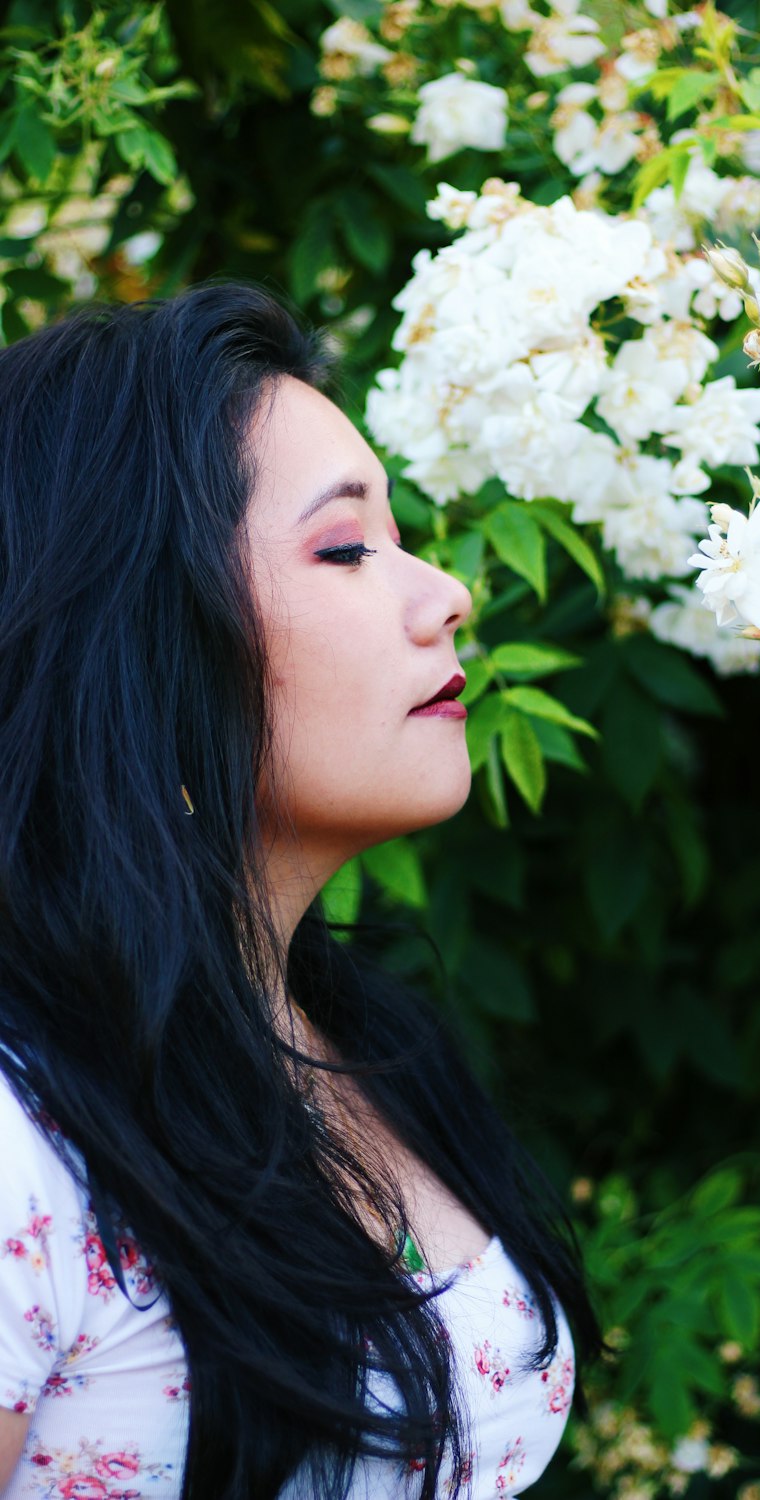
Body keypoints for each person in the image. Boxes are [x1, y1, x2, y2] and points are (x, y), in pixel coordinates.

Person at [0, 284, 597, 1498]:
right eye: (344, 548)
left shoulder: (361, 1043)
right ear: (142, 647)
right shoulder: (23, 1142)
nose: (446, 596)